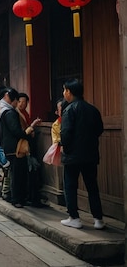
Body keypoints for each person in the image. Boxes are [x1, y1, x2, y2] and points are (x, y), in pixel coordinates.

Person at [59, 79, 105, 230]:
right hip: (90, 154)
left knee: (70, 186)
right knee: (92, 186)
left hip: (72, 155)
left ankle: (74, 217)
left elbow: (65, 133)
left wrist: (62, 145)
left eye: (65, 90)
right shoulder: (93, 109)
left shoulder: (69, 109)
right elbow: (99, 130)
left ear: (69, 92)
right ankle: (98, 219)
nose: (64, 93)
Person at [0, 87, 33, 208]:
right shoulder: (10, 113)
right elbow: (16, 131)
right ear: (14, 100)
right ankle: (16, 199)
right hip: (14, 149)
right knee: (17, 175)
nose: (19, 104)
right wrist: (26, 133)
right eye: (18, 101)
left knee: (17, 174)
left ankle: (19, 198)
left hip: (10, 148)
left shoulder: (5, 111)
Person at [16, 93, 44, 207]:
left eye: (25, 102)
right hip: (22, 146)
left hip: (27, 145)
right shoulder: (17, 114)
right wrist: (32, 126)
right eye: (20, 101)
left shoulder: (25, 113)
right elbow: (23, 131)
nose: (23, 104)